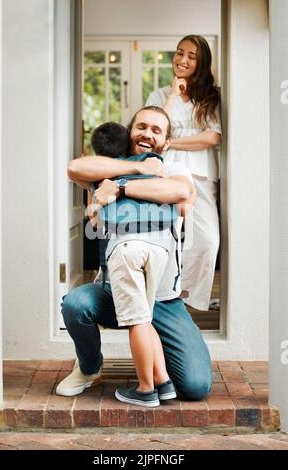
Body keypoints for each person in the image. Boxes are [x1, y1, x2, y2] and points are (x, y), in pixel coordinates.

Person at [56, 106, 212, 403]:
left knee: (195, 386)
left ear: (165, 143)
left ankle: (159, 362)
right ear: (130, 133)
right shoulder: (113, 168)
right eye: (141, 127)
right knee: (75, 305)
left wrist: (121, 188)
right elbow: (75, 168)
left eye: (156, 130)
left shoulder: (174, 169)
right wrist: (136, 170)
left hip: (164, 299)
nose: (147, 134)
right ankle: (89, 367)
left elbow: (179, 194)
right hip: (114, 290)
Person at [88, 120, 179, 407]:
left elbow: (96, 221)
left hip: (126, 247)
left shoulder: (105, 174)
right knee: (145, 317)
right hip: (158, 247)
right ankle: (163, 382)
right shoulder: (154, 163)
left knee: (136, 320)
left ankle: (145, 389)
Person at [146, 35, 222, 311]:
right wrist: (173, 95)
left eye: (191, 56)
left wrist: (173, 142)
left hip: (200, 176)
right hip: (166, 175)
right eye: (179, 53)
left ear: (200, 63)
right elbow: (157, 127)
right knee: (166, 239)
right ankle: (166, 297)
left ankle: (191, 299)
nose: (183, 60)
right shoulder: (159, 95)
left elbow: (211, 137)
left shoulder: (212, 96)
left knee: (207, 241)